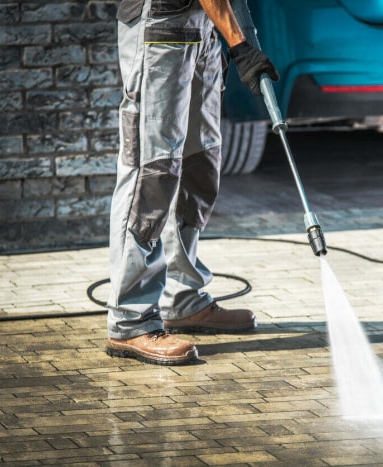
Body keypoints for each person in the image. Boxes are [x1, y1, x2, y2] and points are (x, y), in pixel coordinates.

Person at [105, 0, 279, 365]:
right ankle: (131, 319)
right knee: (152, 172)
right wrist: (239, 43)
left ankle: (182, 298)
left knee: (200, 164)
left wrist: (242, 38)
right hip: (160, 26)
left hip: (203, 30)